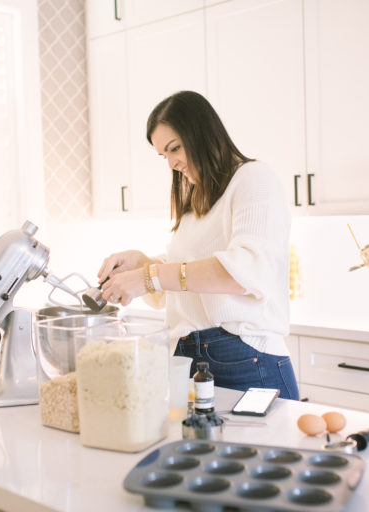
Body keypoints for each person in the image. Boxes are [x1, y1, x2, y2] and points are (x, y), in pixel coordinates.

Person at [96, 90, 299, 400]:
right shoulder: (198, 197)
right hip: (192, 357)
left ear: (202, 132)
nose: (171, 164)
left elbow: (241, 273)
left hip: (243, 357)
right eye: (164, 155)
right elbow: (192, 273)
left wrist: (148, 277)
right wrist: (143, 263)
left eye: (174, 148)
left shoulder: (254, 180)